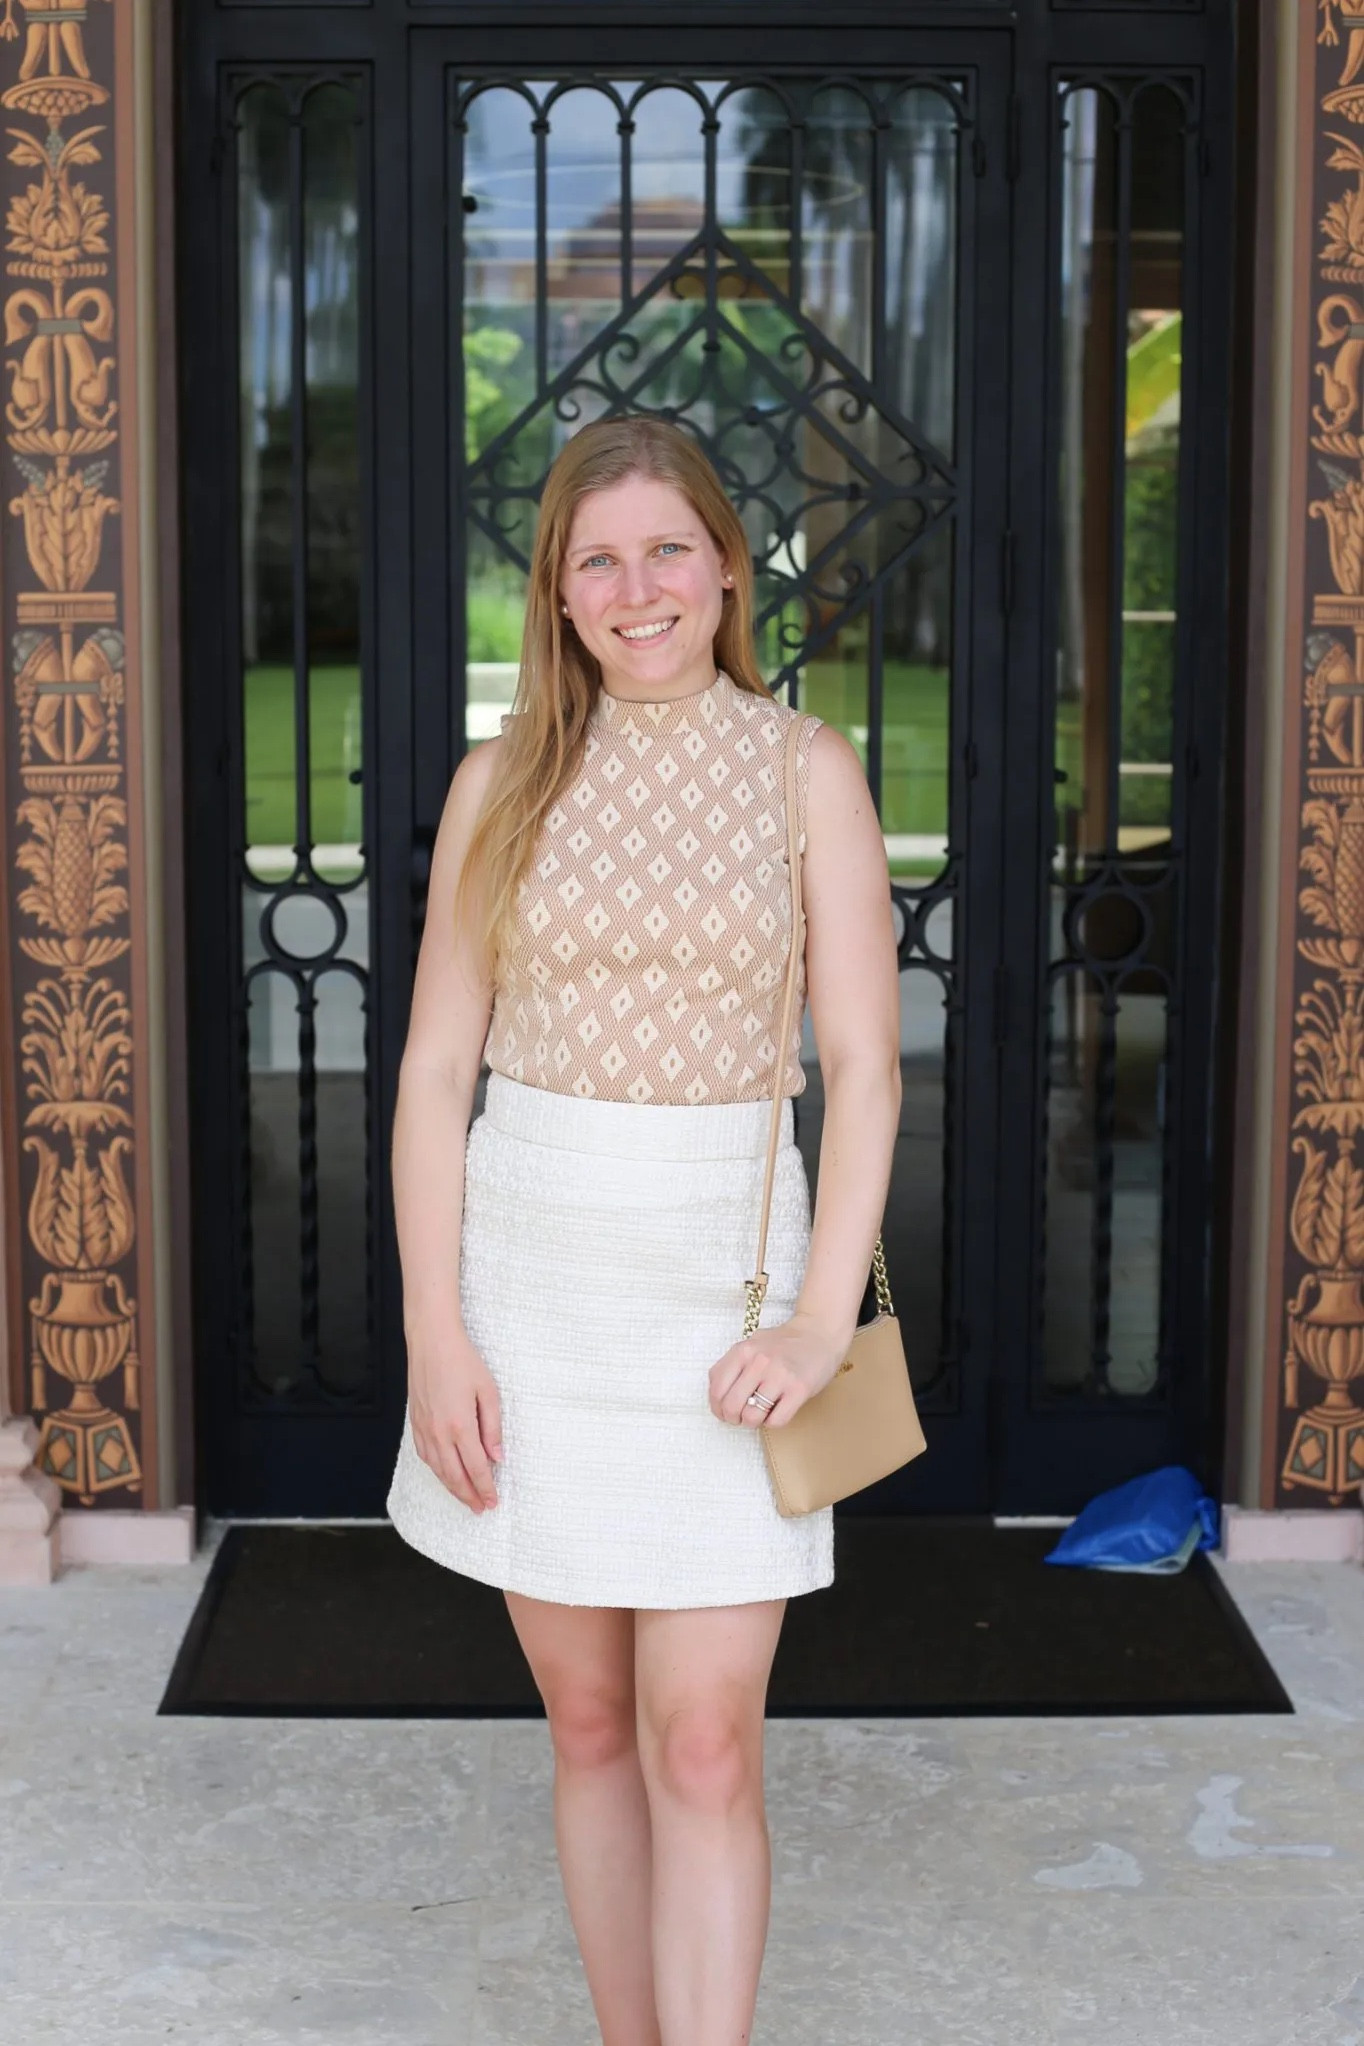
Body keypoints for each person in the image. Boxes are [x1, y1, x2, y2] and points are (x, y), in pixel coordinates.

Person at [386, 415, 900, 2045]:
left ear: (729, 567)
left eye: (668, 546)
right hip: (531, 1287)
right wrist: (436, 1333)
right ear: (556, 590)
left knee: (704, 1739)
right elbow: (436, 1069)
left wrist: (820, 1323)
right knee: (593, 1724)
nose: (637, 586)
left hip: (726, 1294)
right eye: (596, 558)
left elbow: (866, 1068)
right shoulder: (500, 783)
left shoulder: (807, 770)